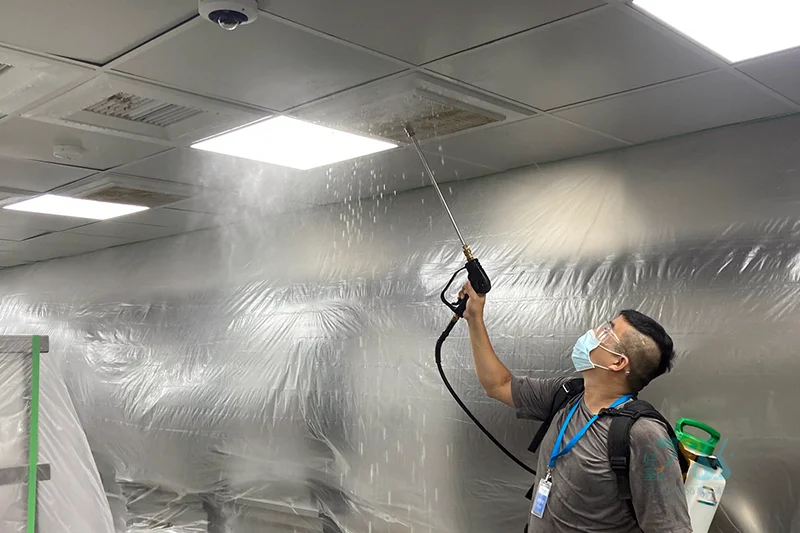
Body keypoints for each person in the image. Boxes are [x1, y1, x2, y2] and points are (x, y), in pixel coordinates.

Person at [459, 281, 692, 533]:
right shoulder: (566, 395)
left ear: (617, 362)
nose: (593, 331)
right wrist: (474, 318)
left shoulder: (643, 434)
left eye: (606, 330)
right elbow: (498, 385)